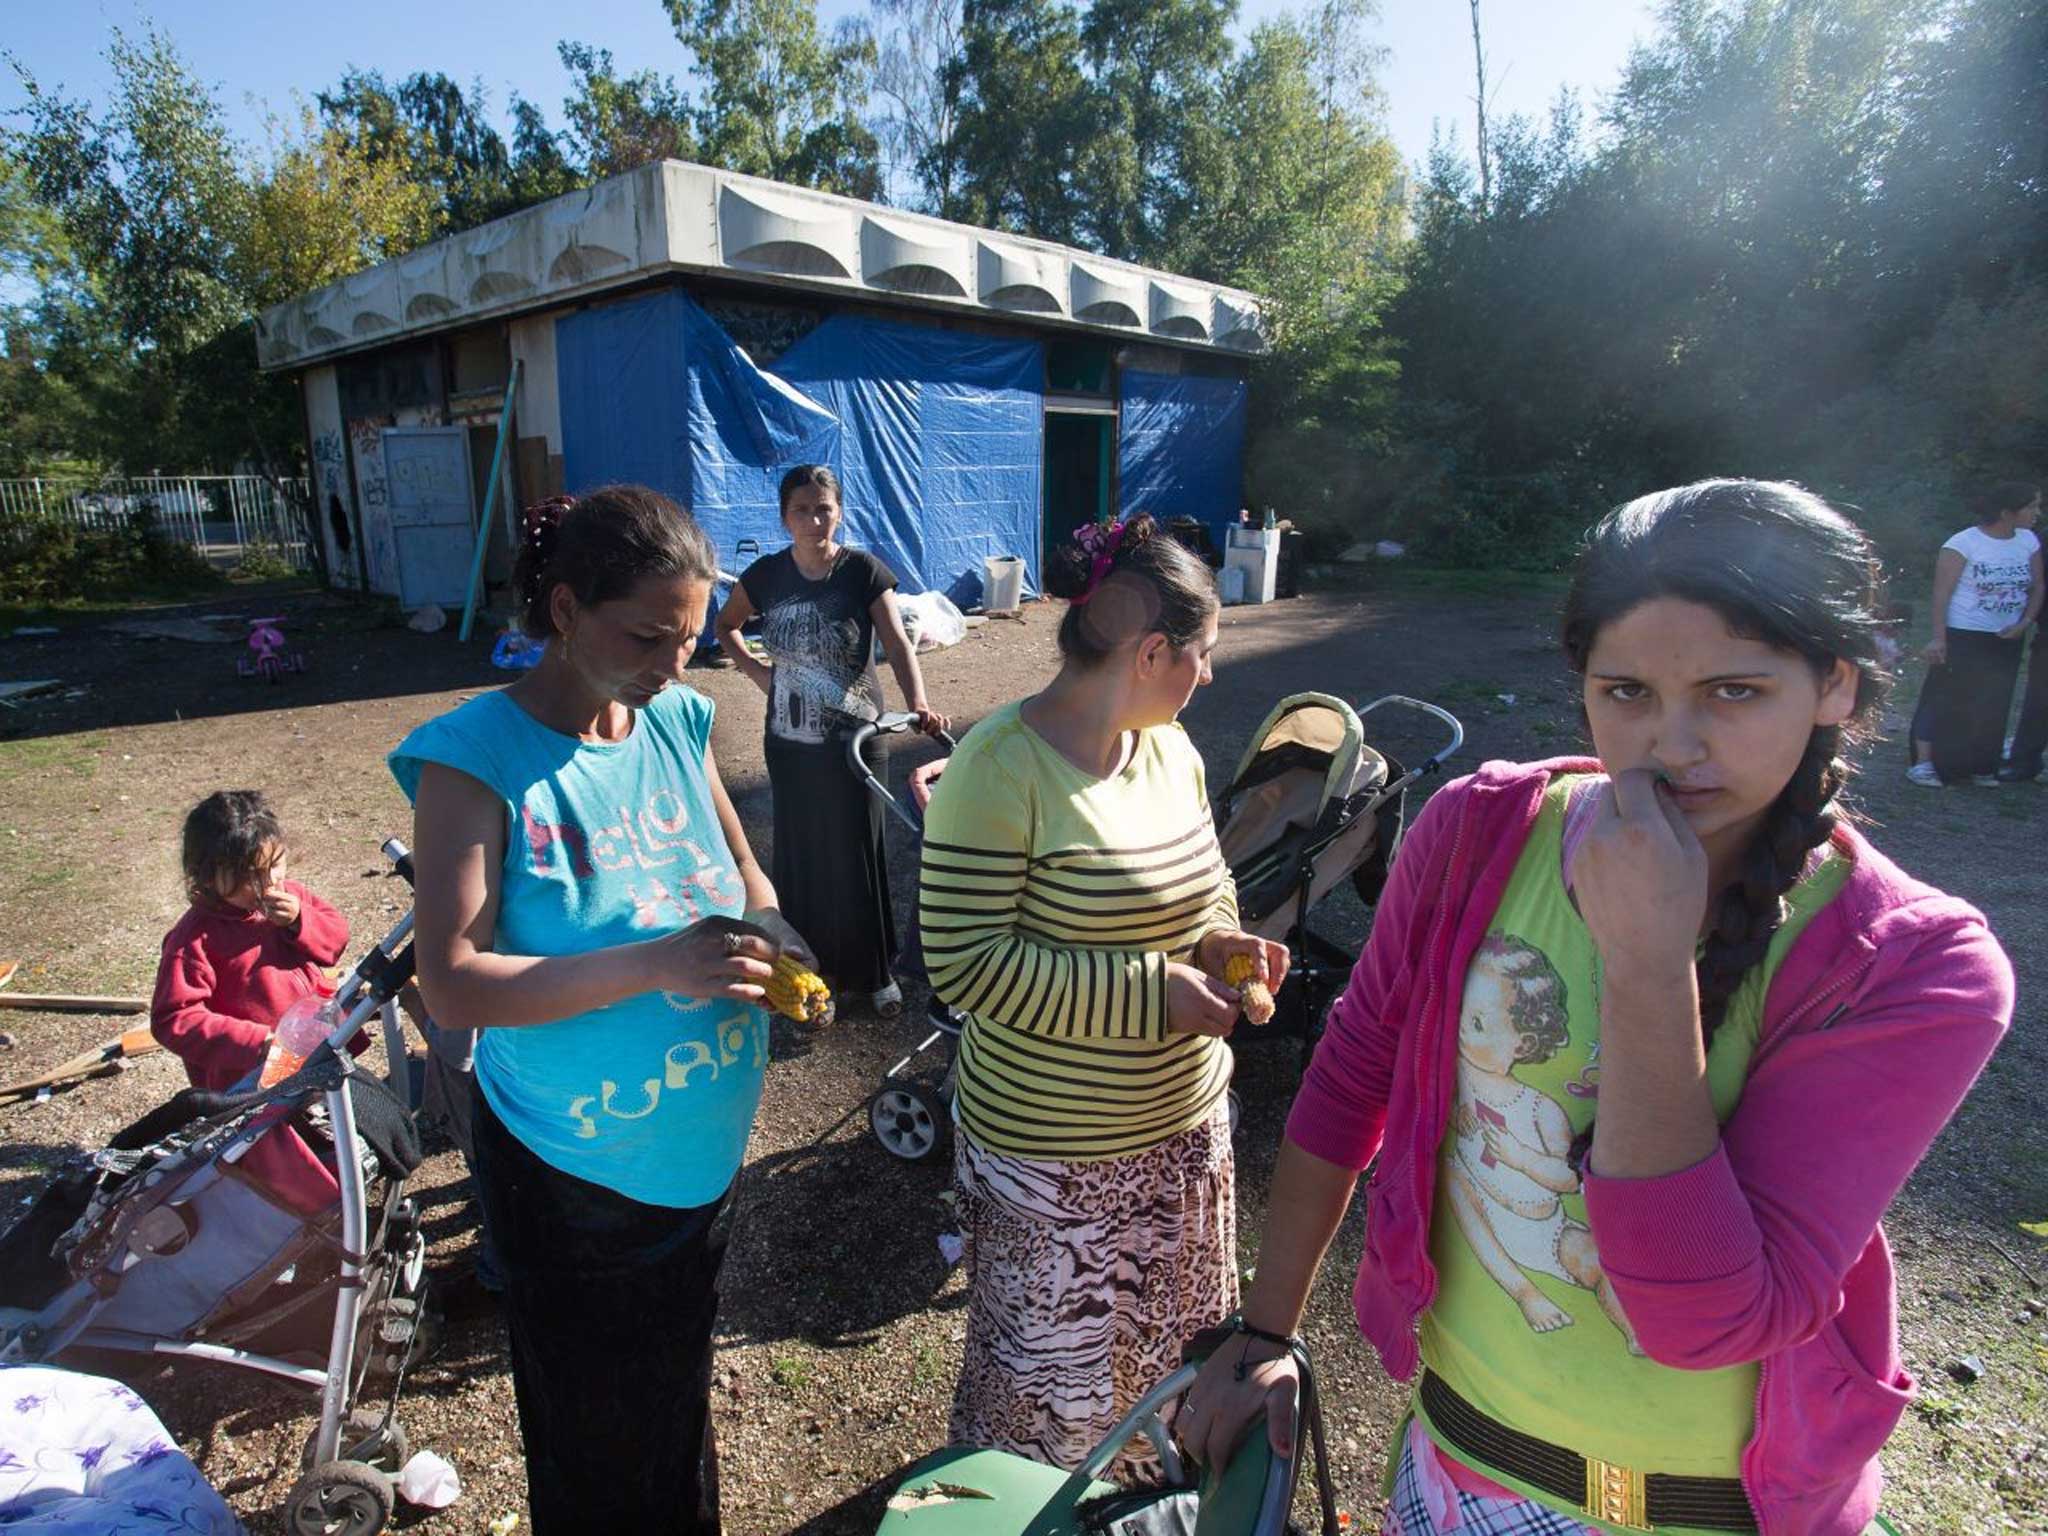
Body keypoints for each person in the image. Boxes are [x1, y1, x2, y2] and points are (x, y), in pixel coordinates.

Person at [1179, 480, 2013, 1536]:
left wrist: (1647, 962)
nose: (1672, 743)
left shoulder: (1913, 963)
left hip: (1713, 1512)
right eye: (1624, 691)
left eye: (1734, 692)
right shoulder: (1480, 833)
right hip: (1455, 1469)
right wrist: (1263, 1336)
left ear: (1835, 684)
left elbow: (1702, 1313)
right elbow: (1351, 1081)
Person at [392, 486, 813, 1536]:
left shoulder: (672, 718)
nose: (677, 661)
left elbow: (747, 879)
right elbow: (449, 981)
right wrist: (657, 963)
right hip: (576, 1185)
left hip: (695, 1167)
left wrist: (785, 944)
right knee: (598, 1449)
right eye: (648, 635)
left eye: (689, 634)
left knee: (665, 1415)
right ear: (567, 608)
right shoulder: (472, 757)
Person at [918, 514, 1288, 1478]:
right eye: (1200, 655)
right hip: (1057, 1159)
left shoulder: (1170, 750)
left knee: (1165, 1368)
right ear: (1152, 649)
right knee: (1051, 1391)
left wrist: (1223, 940)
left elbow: (1207, 883)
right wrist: (1146, 991)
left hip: (1181, 1133)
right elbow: (963, 962)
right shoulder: (996, 768)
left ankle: (1142, 1497)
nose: (1207, 676)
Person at [714, 464, 947, 1018]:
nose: (814, 519)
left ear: (838, 511)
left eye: (824, 508)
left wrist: (917, 703)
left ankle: (873, 974)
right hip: (790, 745)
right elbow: (725, 627)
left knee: (860, 856)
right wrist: (759, 674)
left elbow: (896, 640)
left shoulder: (862, 571)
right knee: (803, 855)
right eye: (802, 510)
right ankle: (808, 968)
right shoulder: (766, 576)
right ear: (784, 517)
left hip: (857, 740)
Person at [150, 789, 353, 1213]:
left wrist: (301, 920)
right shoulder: (195, 939)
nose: (267, 885)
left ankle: (336, 1179)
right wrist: (258, 1041)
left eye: (274, 867)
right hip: (248, 1079)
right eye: (248, 877)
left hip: (313, 1050)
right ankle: (301, 1216)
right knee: (275, 1157)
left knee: (326, 1124)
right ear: (206, 876)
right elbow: (175, 1017)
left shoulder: (292, 898)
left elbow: (335, 941)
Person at [1907, 480, 2041, 786]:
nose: (2037, 512)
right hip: (1964, 632)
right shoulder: (1963, 543)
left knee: (1993, 701)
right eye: (2032, 506)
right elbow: (1941, 593)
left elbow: (2038, 586)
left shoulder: (2028, 541)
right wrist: (1938, 637)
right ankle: (1924, 764)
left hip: (2006, 635)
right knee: (1944, 697)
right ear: (2007, 512)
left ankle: (1981, 764)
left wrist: (2024, 622)